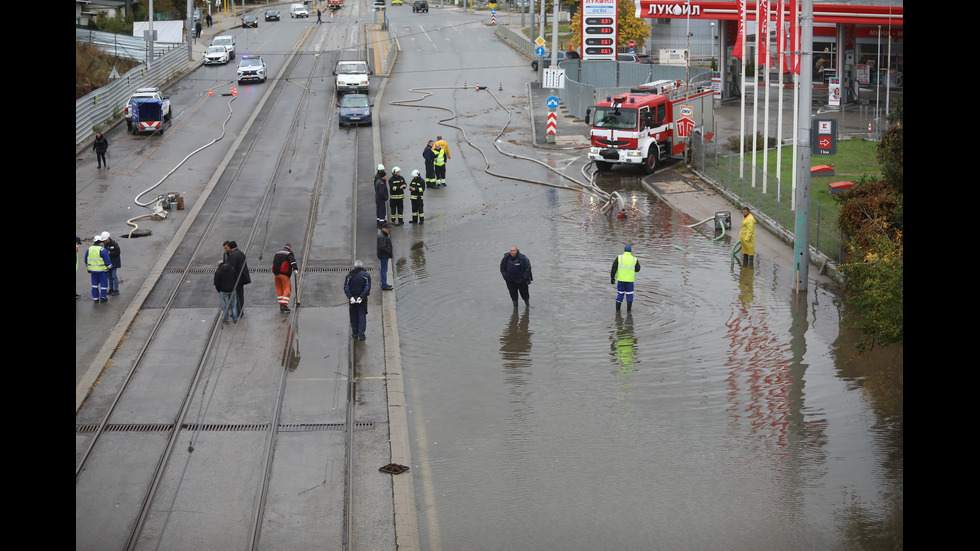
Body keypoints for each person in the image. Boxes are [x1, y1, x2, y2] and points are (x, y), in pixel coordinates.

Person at [344, 260, 372, 341]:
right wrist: (361, 296)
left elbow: (346, 288)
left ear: (355, 266)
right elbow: (367, 288)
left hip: (352, 299)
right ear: (362, 266)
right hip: (362, 300)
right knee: (362, 316)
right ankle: (361, 335)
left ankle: (355, 332)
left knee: (353, 316)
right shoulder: (366, 276)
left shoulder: (349, 276)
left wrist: (350, 297)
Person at [222, 240, 251, 316]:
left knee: (236, 296)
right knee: (240, 295)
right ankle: (241, 311)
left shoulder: (233, 255)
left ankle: (238, 312)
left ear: (231, 247)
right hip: (242, 278)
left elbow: (231, 267)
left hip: (236, 278)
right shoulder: (241, 253)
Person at [611, 245, 640, 312]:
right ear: (631, 251)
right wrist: (631, 270)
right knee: (629, 295)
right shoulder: (634, 259)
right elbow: (638, 269)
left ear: (624, 250)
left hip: (621, 280)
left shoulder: (619, 258)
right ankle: (629, 312)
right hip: (630, 281)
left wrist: (612, 278)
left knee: (620, 294)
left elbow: (613, 269)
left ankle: (617, 311)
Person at [84, 235, 112, 303]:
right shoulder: (102, 250)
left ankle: (95, 298)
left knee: (94, 285)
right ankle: (103, 297)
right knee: (103, 285)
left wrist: (89, 267)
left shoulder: (89, 249)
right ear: (101, 242)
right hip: (102, 271)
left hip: (93, 271)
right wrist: (110, 267)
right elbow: (107, 261)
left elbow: (86, 260)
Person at [272, 243, 299, 312]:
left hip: (276, 275)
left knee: (279, 289)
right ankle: (284, 304)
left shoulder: (277, 253)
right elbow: (292, 261)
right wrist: (295, 269)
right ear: (290, 248)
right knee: (287, 289)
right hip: (284, 274)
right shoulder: (289, 253)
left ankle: (281, 304)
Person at [101, 231, 122, 296]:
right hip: (108, 263)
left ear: (108, 238)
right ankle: (111, 289)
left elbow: (118, 252)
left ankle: (116, 290)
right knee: (109, 276)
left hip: (114, 263)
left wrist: (110, 253)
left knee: (114, 276)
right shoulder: (105, 245)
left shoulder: (114, 244)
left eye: (105, 240)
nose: (104, 241)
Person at [377, 222, 394, 290]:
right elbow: (382, 247)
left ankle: (385, 284)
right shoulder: (382, 236)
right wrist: (388, 251)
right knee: (384, 271)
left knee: (384, 270)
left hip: (383, 255)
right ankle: (384, 285)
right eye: (387, 228)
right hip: (384, 256)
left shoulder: (383, 234)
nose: (388, 229)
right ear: (383, 228)